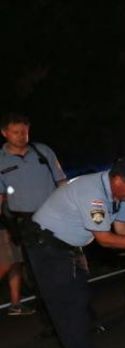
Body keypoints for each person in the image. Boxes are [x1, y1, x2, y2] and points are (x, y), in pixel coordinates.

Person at [20, 156, 125, 348]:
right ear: (119, 179)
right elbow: (106, 239)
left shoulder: (120, 193)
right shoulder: (91, 191)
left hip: (70, 247)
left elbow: (123, 228)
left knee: (80, 304)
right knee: (69, 310)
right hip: (47, 247)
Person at [0, 113, 67, 316]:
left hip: (53, 217)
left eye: (25, 132)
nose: (21, 136)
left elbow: (62, 182)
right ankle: (50, 318)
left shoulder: (43, 151)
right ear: (4, 133)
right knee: (37, 273)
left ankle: (76, 313)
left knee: (64, 266)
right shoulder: (0, 160)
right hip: (25, 222)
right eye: (16, 132)